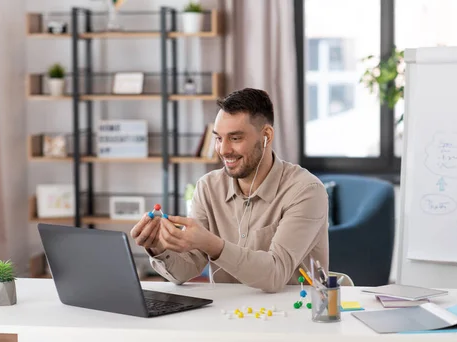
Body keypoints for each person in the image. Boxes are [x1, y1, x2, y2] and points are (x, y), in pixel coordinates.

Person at [130, 88, 329, 293]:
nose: (223, 150)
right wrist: (158, 248)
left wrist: (213, 245)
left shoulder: (306, 191)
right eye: (218, 138)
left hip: (293, 317)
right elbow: (185, 271)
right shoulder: (208, 188)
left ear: (266, 136)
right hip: (227, 317)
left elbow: (275, 273)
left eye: (235, 138)